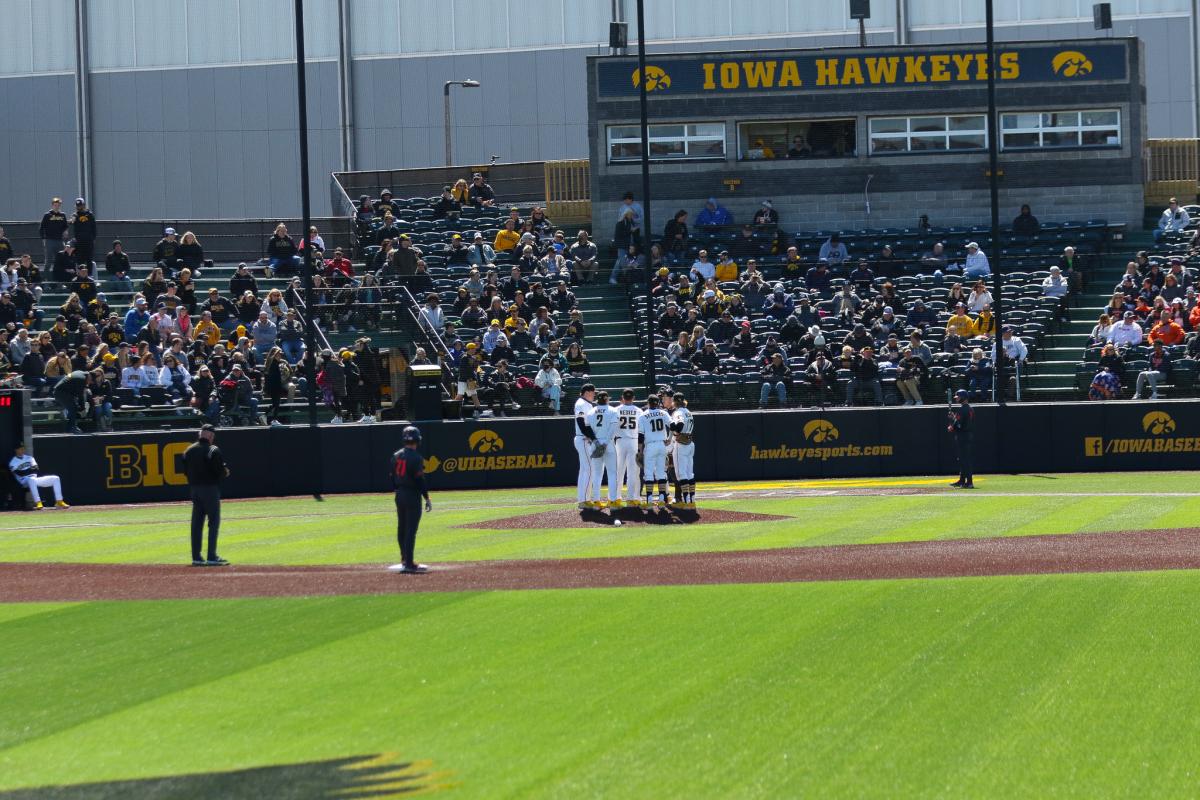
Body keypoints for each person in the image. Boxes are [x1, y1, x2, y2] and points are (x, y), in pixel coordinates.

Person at [388, 425, 433, 574]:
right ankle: (409, 563)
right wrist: (426, 497)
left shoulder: (396, 455)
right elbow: (420, 481)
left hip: (399, 494)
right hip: (412, 495)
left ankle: (403, 559)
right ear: (417, 440)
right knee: (410, 530)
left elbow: (392, 477)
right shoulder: (416, 458)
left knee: (401, 527)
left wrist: (398, 490)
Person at [183, 424, 230, 566]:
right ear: (210, 436)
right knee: (213, 522)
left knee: (196, 524)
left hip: (194, 489)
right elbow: (219, 471)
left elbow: (185, 470)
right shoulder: (212, 450)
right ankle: (211, 556)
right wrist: (225, 472)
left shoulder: (189, 450)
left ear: (200, 435)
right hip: (210, 489)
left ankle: (196, 557)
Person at [637, 393, 672, 509]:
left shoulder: (643, 415)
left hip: (650, 446)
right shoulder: (664, 413)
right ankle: (662, 500)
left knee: (648, 474)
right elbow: (673, 426)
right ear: (658, 403)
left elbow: (641, 436)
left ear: (648, 403)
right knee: (661, 473)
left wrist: (640, 451)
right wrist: (670, 438)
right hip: (662, 445)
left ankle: (649, 501)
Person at [584, 391, 618, 507]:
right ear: (607, 399)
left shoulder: (590, 411)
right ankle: (613, 501)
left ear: (597, 400)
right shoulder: (613, 410)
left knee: (597, 474)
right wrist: (605, 444)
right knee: (612, 473)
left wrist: (597, 443)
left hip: (595, 442)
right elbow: (613, 429)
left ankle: (596, 501)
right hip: (608, 444)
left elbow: (588, 430)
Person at [9, 443, 68, 509]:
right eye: (20, 448)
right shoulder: (13, 462)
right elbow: (20, 473)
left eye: (23, 448)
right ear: (16, 450)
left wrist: (27, 470)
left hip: (35, 479)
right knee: (31, 479)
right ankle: (38, 502)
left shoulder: (29, 458)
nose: (22, 450)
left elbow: (36, 469)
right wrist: (30, 469)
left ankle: (59, 501)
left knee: (56, 478)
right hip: (24, 481)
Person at [611, 388, 642, 507]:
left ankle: (616, 498)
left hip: (620, 441)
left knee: (618, 471)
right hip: (634, 441)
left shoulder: (616, 410)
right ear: (633, 398)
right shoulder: (638, 411)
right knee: (632, 472)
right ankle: (630, 498)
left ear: (622, 398)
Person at [668, 392, 695, 509]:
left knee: (681, 474)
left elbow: (679, 425)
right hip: (690, 443)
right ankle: (692, 500)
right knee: (690, 473)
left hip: (681, 443)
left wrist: (671, 426)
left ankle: (687, 501)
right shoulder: (688, 411)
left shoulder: (678, 412)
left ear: (674, 401)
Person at [573, 383, 597, 509]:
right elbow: (581, 422)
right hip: (583, 439)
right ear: (587, 392)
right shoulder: (581, 403)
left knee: (584, 470)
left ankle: (583, 499)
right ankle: (584, 500)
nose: (594, 395)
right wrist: (592, 437)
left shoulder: (585, 403)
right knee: (589, 469)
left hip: (583, 439)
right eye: (593, 392)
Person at [947, 390, 974, 488]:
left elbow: (958, 425)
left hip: (963, 436)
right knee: (963, 459)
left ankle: (969, 482)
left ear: (963, 397)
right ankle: (962, 480)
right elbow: (961, 421)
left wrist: (951, 426)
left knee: (964, 459)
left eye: (958, 397)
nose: (957, 399)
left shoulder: (962, 409)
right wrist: (954, 418)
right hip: (967, 435)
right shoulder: (970, 409)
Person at [39, 197, 69, 272]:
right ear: (52, 205)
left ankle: (60, 282)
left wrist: (65, 231)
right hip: (49, 241)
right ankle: (46, 280)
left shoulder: (62, 215)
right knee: (48, 261)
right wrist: (43, 239)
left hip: (59, 241)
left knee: (61, 260)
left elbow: (65, 226)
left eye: (58, 205)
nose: (57, 206)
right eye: (55, 205)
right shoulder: (47, 215)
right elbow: (41, 228)